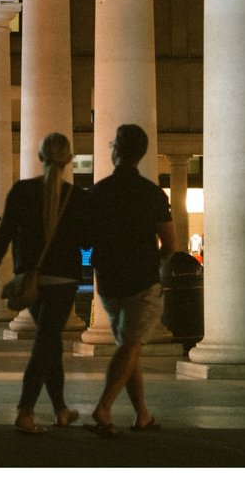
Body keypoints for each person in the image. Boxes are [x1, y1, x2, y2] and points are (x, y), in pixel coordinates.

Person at [0, 132, 90, 435]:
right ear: (69, 161)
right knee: (46, 344)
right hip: (64, 281)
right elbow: (87, 243)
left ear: (40, 158)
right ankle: (25, 411)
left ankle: (61, 410)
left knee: (49, 343)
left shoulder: (21, 192)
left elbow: (4, 236)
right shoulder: (77, 198)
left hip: (32, 280)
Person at [87, 123, 176, 437]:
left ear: (115, 151)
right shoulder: (152, 193)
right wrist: (158, 266)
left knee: (129, 346)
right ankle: (104, 407)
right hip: (142, 278)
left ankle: (142, 415)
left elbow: (86, 238)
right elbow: (170, 242)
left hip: (108, 279)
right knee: (131, 345)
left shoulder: (99, 191)